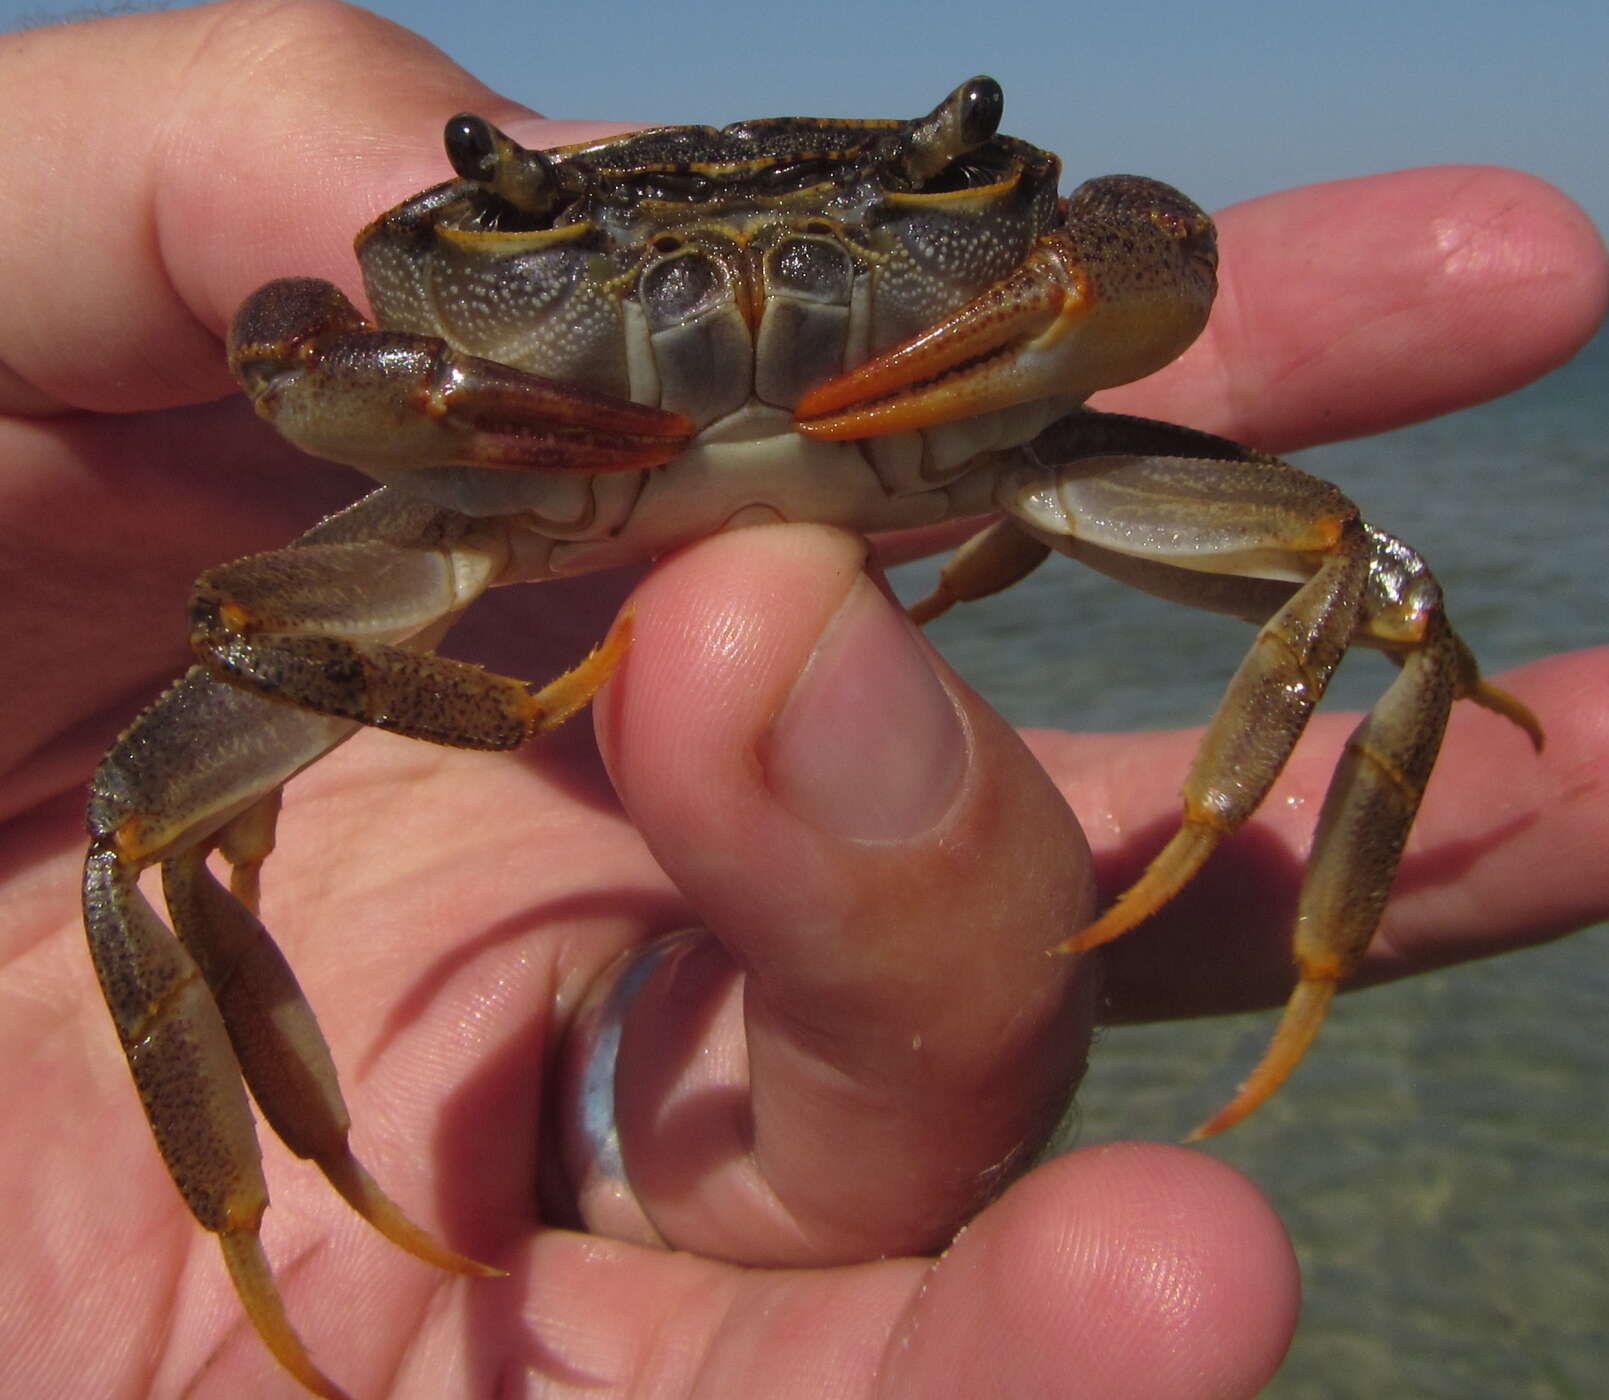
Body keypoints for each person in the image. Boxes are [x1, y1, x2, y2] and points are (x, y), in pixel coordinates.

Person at [2, 4, 1605, 1396]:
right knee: (143, 828)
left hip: (974, 436)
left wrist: (1023, 369)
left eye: (918, 206)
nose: (735, 305)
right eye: (529, 238)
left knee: (1359, 575)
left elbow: (1149, 244)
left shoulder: (1045, 283)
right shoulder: (403, 433)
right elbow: (291, 353)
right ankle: (265, 1198)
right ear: (452, 252)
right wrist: (482, 640)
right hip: (497, 487)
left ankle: (1305, 932)